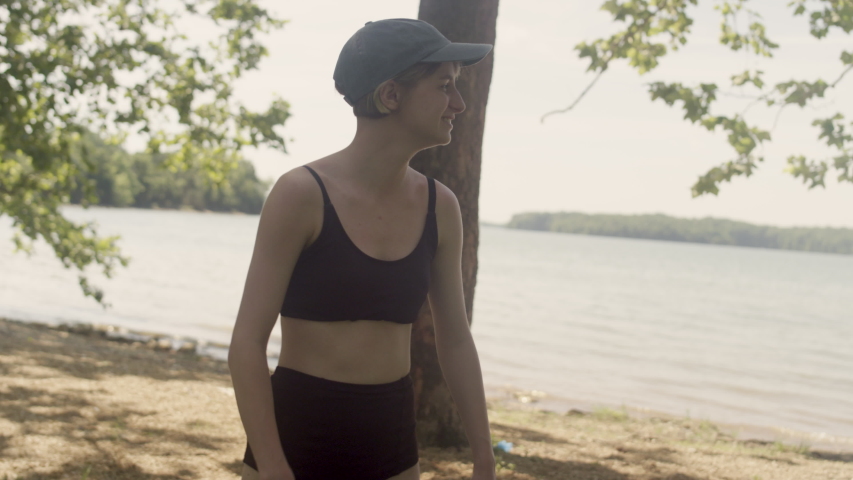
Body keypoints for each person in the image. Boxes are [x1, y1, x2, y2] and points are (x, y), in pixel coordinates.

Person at [228, 18, 495, 480]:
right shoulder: (301, 194)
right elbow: (247, 344)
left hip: (390, 441)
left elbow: (455, 340)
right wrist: (273, 466)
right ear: (391, 95)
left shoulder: (439, 207)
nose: (459, 103)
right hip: (295, 440)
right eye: (444, 86)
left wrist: (485, 458)